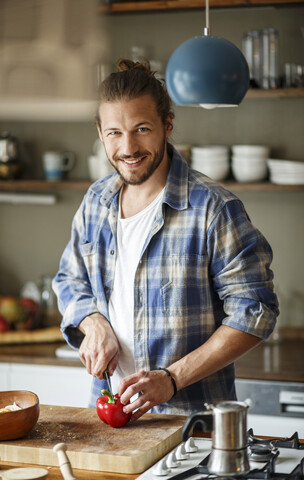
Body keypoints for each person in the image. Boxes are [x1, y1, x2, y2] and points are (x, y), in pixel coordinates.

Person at [53, 58, 279, 421]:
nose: (128, 147)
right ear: (99, 132)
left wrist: (172, 378)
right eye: (114, 132)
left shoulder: (213, 209)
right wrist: (92, 321)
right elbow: (69, 278)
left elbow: (255, 311)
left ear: (167, 125)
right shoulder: (96, 202)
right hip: (110, 418)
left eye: (141, 128)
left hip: (191, 424)